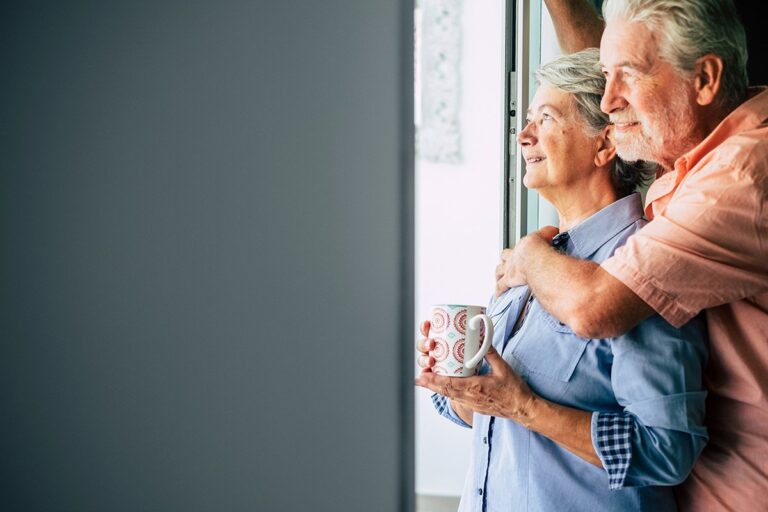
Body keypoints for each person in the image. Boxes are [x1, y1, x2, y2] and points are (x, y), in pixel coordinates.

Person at [489, 1, 768, 510]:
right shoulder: (692, 145)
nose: (612, 100)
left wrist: (529, 253)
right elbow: (608, 94)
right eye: (604, 77)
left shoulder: (736, 179)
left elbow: (595, 308)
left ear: (704, 79)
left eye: (629, 77)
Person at [416, 49, 708, 511]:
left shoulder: (639, 261)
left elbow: (667, 448)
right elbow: (490, 414)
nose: (523, 135)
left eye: (546, 118)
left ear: (604, 144)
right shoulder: (529, 260)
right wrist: (456, 382)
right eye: (527, 118)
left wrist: (527, 408)